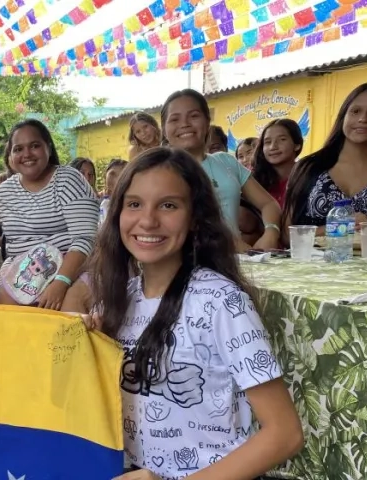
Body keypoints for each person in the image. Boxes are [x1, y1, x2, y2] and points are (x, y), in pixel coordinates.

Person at [84, 147, 302, 479]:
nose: (148, 220)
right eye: (134, 204)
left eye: (168, 205)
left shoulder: (221, 302)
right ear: (116, 215)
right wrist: (85, 348)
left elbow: (285, 434)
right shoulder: (117, 302)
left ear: (196, 217)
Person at [0, 119, 99, 309]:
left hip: (72, 268)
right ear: (10, 156)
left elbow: (85, 239)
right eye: (18, 149)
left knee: (70, 307)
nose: (26, 154)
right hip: (20, 272)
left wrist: (60, 282)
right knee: (10, 315)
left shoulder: (68, 180)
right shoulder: (4, 192)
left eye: (35, 146)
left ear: (49, 148)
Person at [283, 83, 367, 240]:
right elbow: (287, 235)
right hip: (312, 262)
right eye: (355, 111)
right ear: (343, 116)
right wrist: (338, 228)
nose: (363, 119)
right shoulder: (309, 167)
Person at [161, 89, 281, 252]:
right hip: (186, 263)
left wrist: (271, 232)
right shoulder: (160, 172)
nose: (185, 124)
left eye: (194, 116)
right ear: (164, 129)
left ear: (207, 121)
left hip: (234, 263)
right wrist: (236, 247)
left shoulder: (226, 161)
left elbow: (268, 204)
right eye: (175, 119)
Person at [254, 119, 303, 209]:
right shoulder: (255, 180)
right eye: (267, 142)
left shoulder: (309, 177)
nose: (273, 147)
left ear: (297, 145)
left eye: (282, 140)